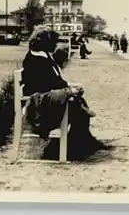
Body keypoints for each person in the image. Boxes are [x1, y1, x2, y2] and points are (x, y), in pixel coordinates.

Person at [21, 25, 105, 160]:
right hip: (40, 104)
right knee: (76, 106)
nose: (56, 45)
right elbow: (46, 84)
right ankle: (75, 145)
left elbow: (54, 81)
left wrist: (69, 89)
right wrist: (69, 90)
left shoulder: (42, 57)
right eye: (53, 42)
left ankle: (80, 142)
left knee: (77, 102)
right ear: (45, 43)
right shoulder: (37, 60)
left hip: (46, 97)